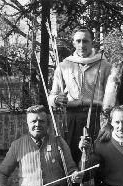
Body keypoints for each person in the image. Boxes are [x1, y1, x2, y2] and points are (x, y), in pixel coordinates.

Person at [48, 26, 112, 164]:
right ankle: (72, 185)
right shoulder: (64, 66)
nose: (82, 45)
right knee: (71, 156)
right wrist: (56, 99)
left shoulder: (104, 65)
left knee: (94, 156)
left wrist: (109, 124)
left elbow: (112, 98)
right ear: (73, 43)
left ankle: (93, 185)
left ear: (92, 42)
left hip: (96, 116)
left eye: (85, 41)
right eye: (78, 41)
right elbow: (52, 95)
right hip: (71, 117)